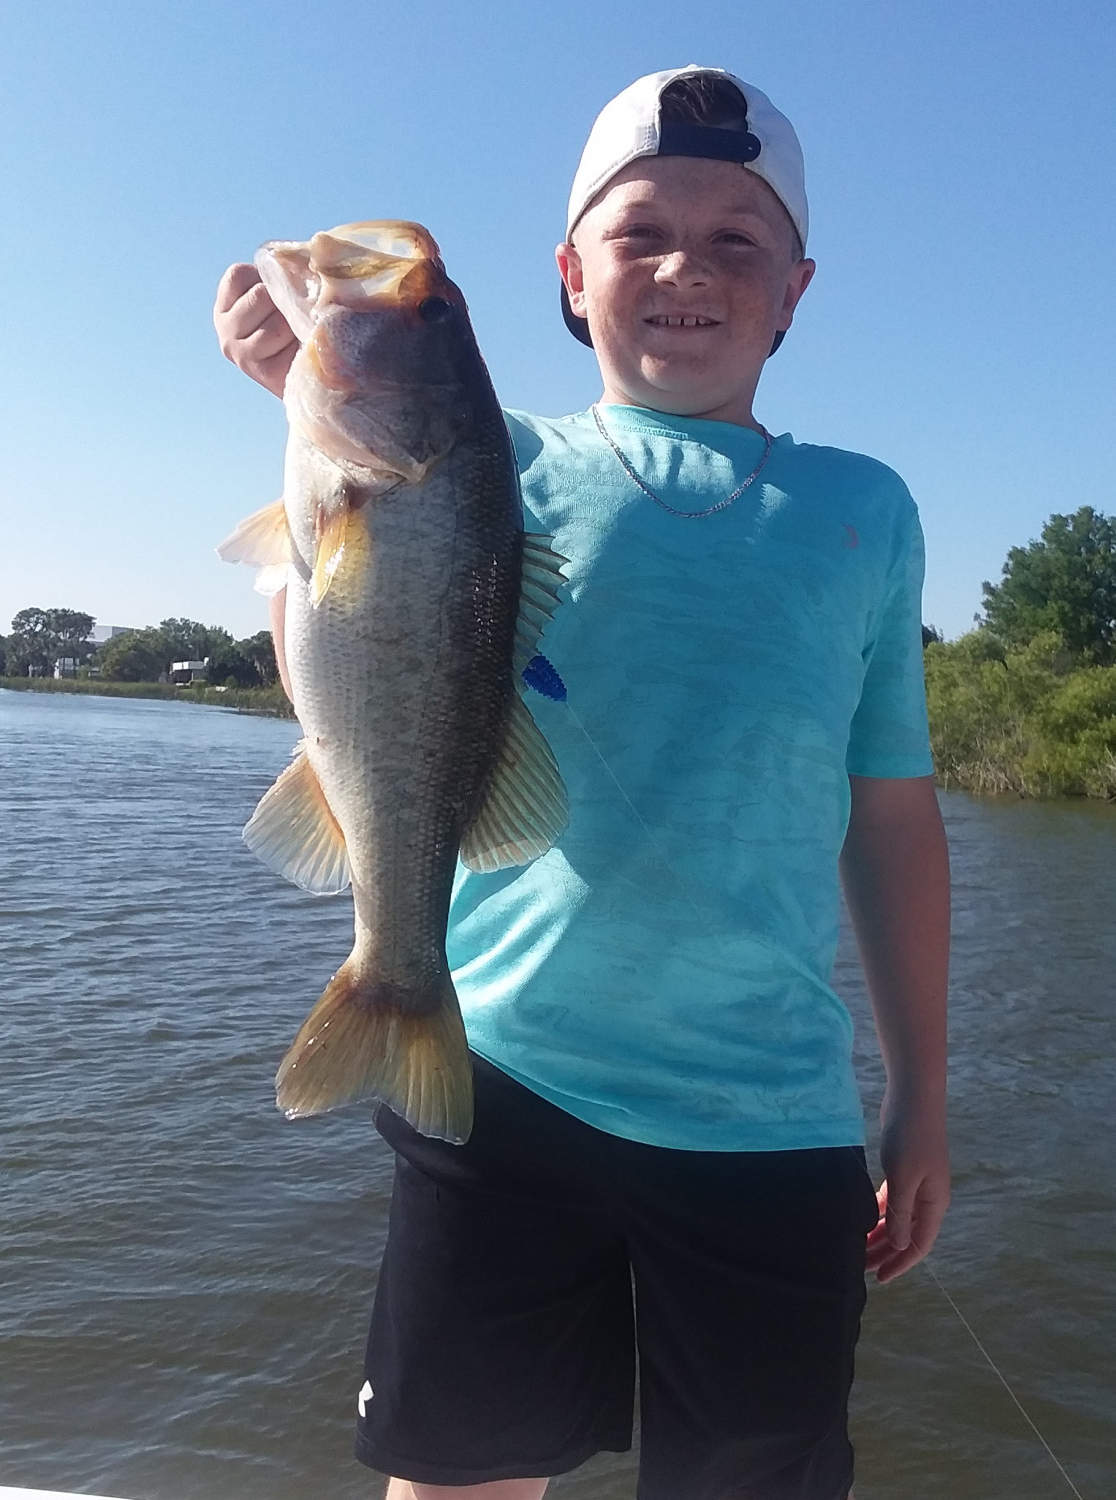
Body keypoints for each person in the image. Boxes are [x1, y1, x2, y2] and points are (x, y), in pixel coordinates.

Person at [214, 65, 950, 1500]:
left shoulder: (865, 510)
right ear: (568, 274)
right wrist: (292, 401)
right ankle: (392, 982)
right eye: (639, 234)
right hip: (500, 1083)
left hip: (772, 1120)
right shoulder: (503, 460)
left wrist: (921, 1091)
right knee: (458, 1477)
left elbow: (895, 817)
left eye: (739, 238)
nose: (687, 265)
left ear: (796, 288)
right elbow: (331, 661)